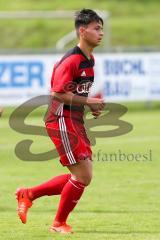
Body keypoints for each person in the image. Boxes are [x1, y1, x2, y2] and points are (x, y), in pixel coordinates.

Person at [15, 8, 105, 234]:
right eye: (96, 28)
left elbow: (77, 93)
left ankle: (29, 194)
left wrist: (90, 106)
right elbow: (56, 93)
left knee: (82, 175)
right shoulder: (71, 60)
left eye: (101, 28)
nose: (101, 33)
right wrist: (89, 102)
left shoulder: (89, 59)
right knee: (83, 176)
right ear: (82, 31)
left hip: (74, 120)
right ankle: (58, 223)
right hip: (61, 119)